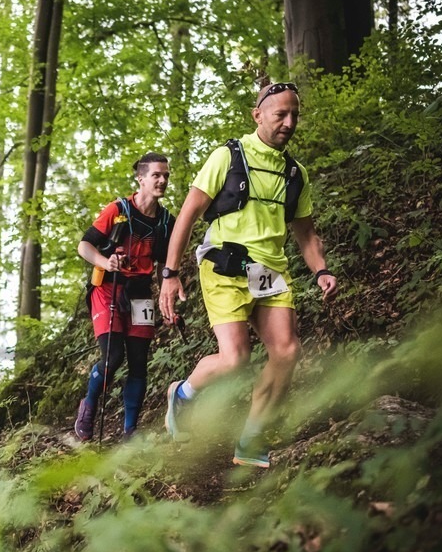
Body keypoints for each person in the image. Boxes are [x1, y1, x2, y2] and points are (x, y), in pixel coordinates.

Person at [158, 81, 339, 468]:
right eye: (280, 114)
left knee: (287, 351)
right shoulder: (228, 156)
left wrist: (320, 269)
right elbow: (188, 214)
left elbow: (306, 233)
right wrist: (170, 274)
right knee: (235, 358)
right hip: (225, 266)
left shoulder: (295, 173)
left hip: (268, 270)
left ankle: (252, 438)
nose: (289, 122)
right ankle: (182, 395)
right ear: (258, 115)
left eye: (295, 115)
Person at [73, 152, 176, 441]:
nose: (162, 180)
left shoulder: (167, 222)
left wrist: (166, 300)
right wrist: (105, 262)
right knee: (113, 357)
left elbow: (164, 267)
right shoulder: (118, 210)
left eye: (166, 175)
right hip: (108, 285)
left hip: (140, 292)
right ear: (140, 178)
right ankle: (89, 406)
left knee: (139, 361)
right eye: (156, 175)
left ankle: (130, 430)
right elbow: (84, 246)